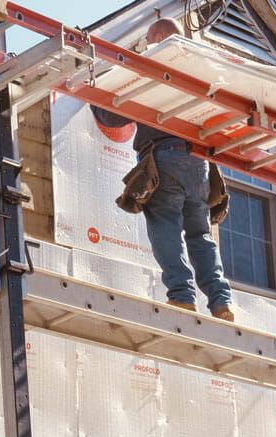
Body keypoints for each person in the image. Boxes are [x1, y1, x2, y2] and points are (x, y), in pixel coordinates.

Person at [92, 16, 235, 321]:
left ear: (157, 40)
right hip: (199, 163)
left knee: (166, 225)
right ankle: (221, 301)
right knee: (199, 234)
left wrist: (95, 90)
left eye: (148, 41)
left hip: (164, 159)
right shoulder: (198, 72)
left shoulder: (154, 69)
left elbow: (113, 116)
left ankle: (182, 296)